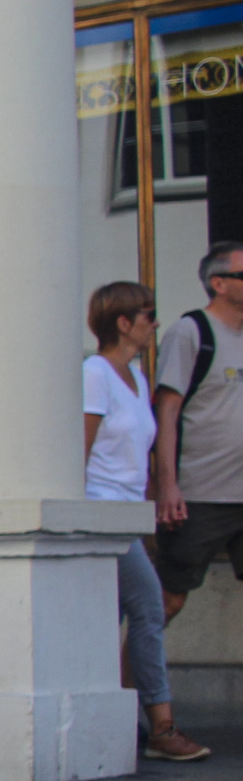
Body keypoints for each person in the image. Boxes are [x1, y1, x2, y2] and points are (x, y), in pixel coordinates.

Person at [88, 282, 203, 760]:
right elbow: (82, 443)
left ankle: (113, 721)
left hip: (128, 514)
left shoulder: (134, 375)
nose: (155, 323)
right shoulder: (95, 373)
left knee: (110, 618)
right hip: (102, 510)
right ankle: (162, 725)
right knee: (150, 608)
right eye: (148, 314)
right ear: (123, 322)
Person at [155, 243, 243, 630]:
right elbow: (168, 410)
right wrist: (168, 485)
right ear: (218, 283)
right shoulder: (190, 333)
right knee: (169, 598)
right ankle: (130, 684)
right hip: (201, 492)